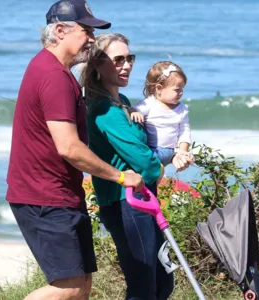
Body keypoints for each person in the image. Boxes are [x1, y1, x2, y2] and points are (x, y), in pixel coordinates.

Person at [5, 1, 144, 299]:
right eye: (86, 30)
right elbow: (69, 148)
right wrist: (120, 177)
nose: (92, 39)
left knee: (81, 288)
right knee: (68, 290)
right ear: (59, 30)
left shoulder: (53, 69)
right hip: (44, 196)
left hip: (58, 194)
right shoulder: (53, 76)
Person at [80, 33, 193, 300]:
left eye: (129, 58)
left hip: (143, 199)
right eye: (118, 59)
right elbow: (144, 162)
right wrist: (165, 161)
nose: (127, 65)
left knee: (162, 281)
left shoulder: (125, 104)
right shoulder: (105, 110)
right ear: (97, 64)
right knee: (144, 286)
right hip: (125, 203)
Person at [130, 61, 194, 167]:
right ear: (159, 88)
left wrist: (183, 150)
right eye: (177, 90)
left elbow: (185, 131)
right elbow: (134, 109)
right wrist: (134, 112)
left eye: (182, 89)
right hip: (151, 151)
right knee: (148, 174)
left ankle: (175, 161)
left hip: (170, 152)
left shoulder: (182, 109)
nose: (181, 93)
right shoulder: (150, 103)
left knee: (185, 158)